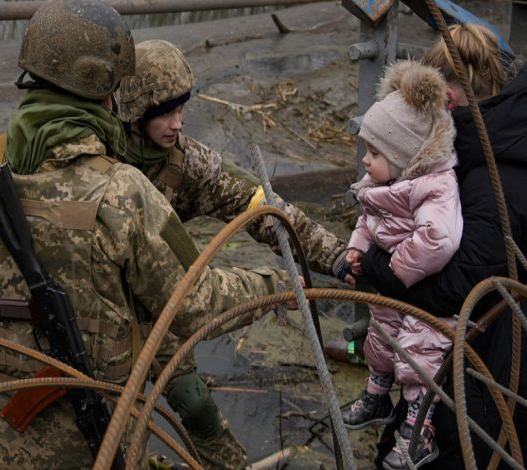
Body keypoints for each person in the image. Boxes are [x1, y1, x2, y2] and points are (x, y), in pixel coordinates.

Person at [0, 1, 290, 468]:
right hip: (95, 443)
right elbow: (197, 305)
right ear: (107, 92)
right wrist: (275, 287)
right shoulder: (123, 192)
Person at [360, 24, 527, 470]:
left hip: (496, 366)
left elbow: (466, 286)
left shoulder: (491, 175)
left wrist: (371, 268)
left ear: (448, 101)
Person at [112, 39, 350, 469]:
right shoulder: (96, 156)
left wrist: (334, 255)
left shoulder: (188, 165)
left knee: (195, 404)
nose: (177, 124)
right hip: (101, 309)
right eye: (165, 112)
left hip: (160, 304)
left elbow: (260, 208)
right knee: (108, 425)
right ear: (135, 112)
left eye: (182, 110)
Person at [338, 60, 461, 469]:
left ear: (405, 154)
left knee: (417, 355)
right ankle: (376, 395)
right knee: (380, 336)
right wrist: (357, 249)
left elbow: (438, 239)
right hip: (393, 291)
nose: (365, 163)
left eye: (374, 153)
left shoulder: (435, 187)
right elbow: (367, 221)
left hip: (425, 298)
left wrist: (395, 270)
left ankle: (418, 429)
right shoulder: (384, 184)